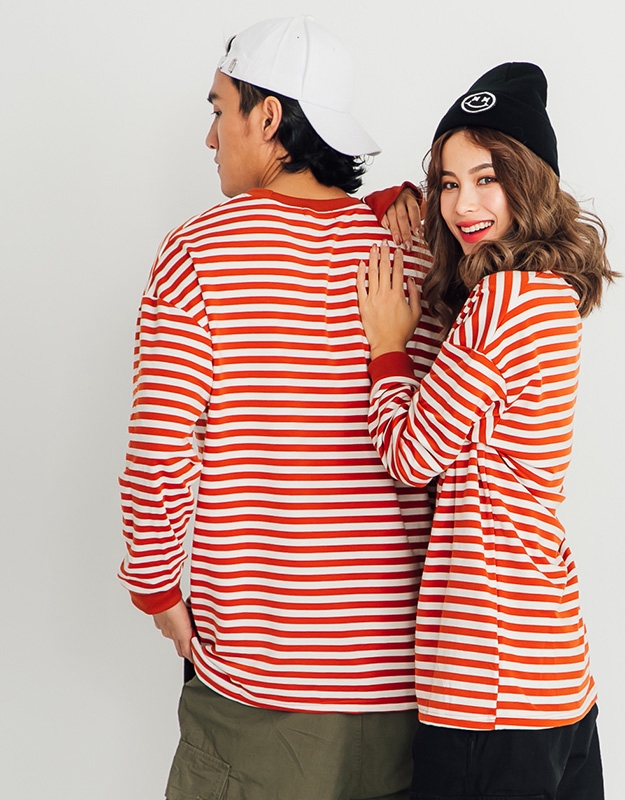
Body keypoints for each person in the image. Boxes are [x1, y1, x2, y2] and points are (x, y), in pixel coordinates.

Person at [118, 16, 440, 800]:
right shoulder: (415, 252)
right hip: (407, 684)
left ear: (268, 119)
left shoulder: (198, 253)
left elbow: (161, 448)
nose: (209, 137)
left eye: (219, 109)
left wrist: (156, 588)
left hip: (261, 685)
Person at [357, 62, 618, 799]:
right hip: (551, 671)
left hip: (487, 681)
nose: (462, 205)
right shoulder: (546, 293)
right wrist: (394, 202)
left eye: (487, 178)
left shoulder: (501, 300)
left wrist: (387, 348)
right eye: (447, 183)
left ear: (529, 181)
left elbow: (409, 455)